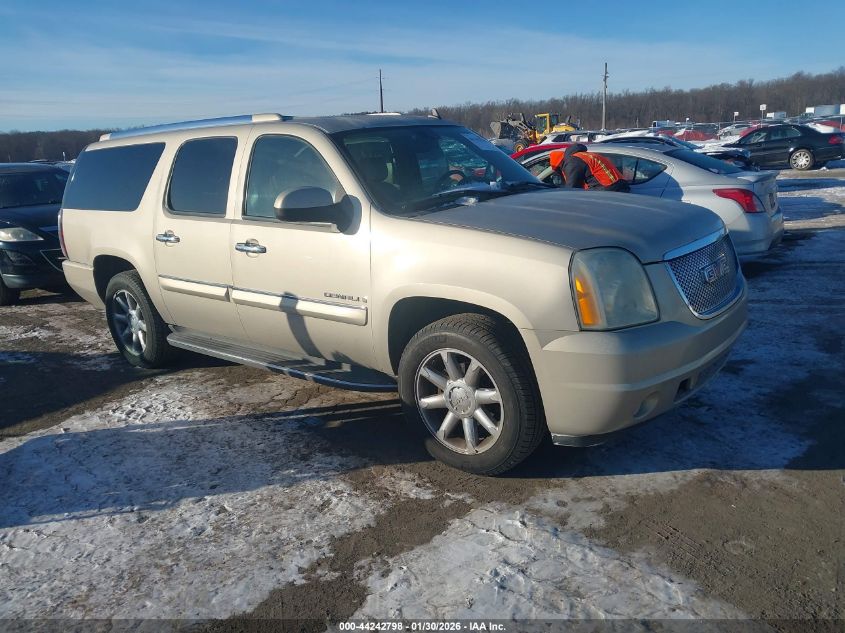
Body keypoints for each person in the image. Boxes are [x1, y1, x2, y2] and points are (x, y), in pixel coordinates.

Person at [550, 144, 630, 192]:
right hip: (618, 186)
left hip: (607, 190)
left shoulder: (573, 161)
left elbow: (572, 189)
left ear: (560, 163)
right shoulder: (583, 156)